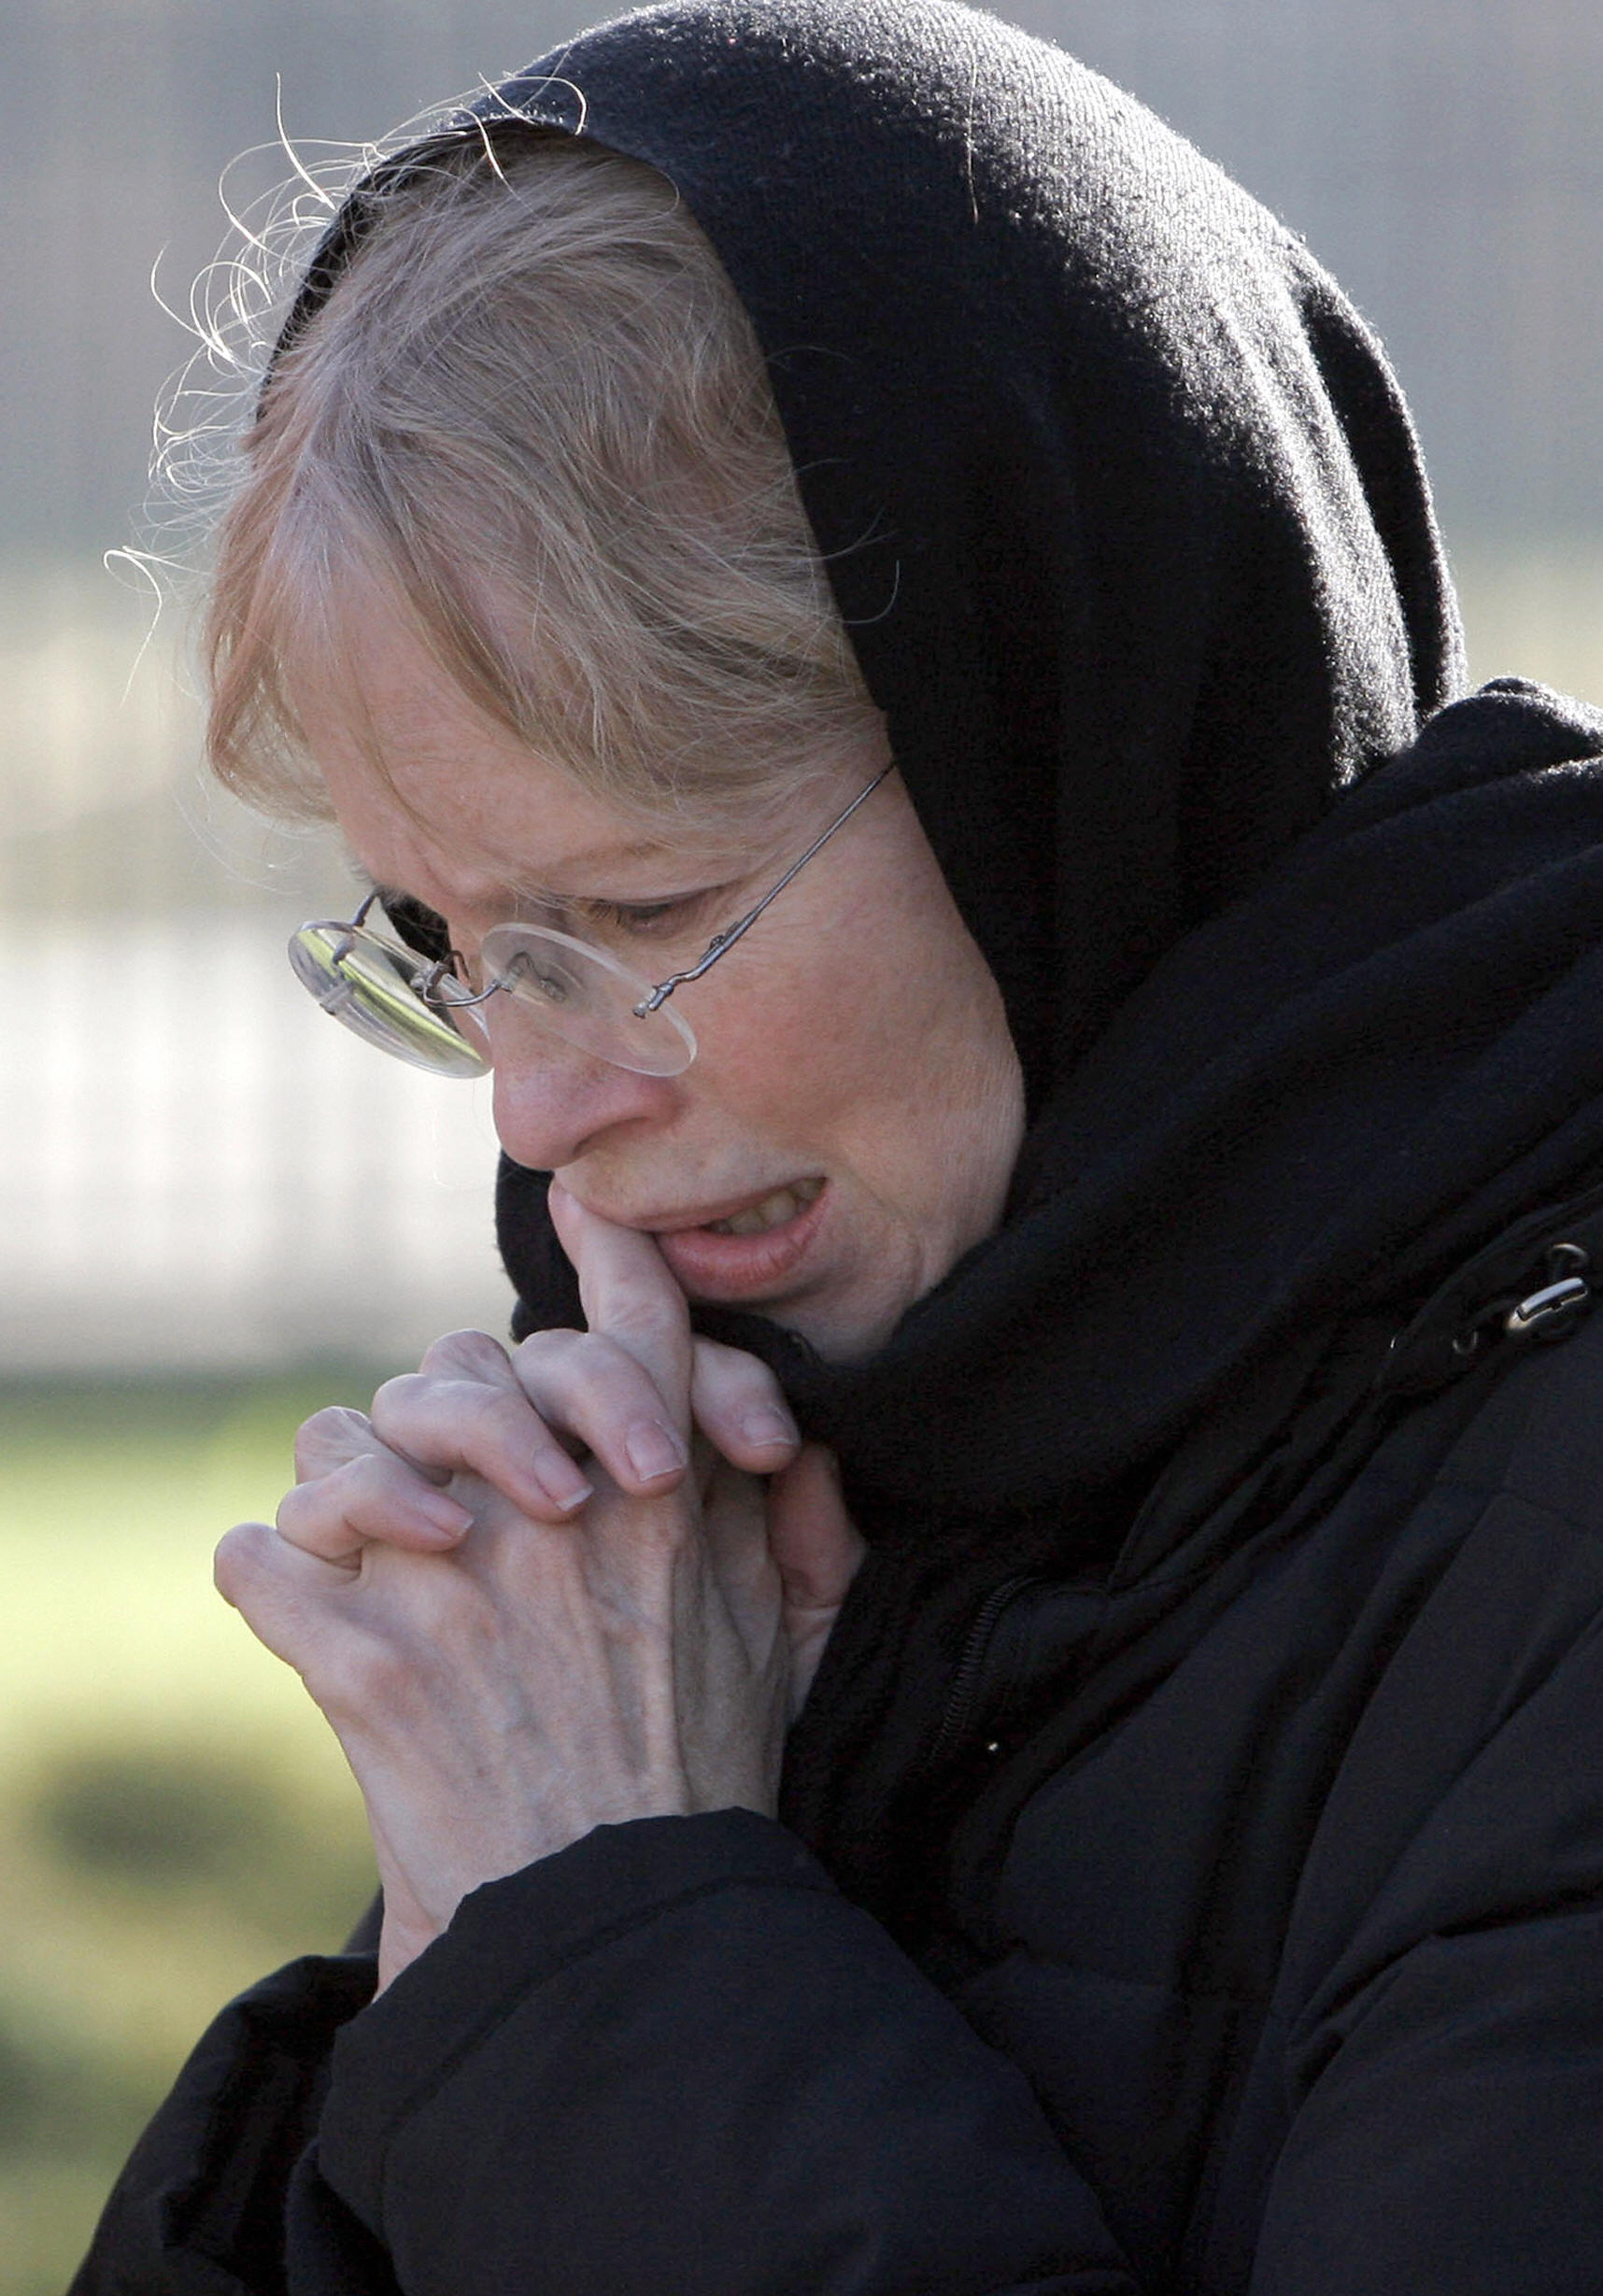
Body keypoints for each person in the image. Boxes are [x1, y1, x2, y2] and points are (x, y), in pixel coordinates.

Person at [73, 3, 1603, 2289]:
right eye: (455, 940)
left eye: (646, 911)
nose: (534, 1099)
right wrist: (471, 1936)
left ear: (1068, 730)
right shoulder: (778, 1477)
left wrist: (605, 1957)